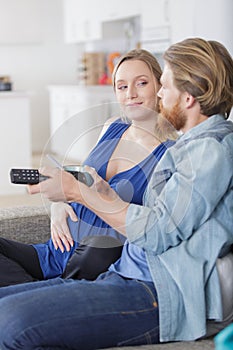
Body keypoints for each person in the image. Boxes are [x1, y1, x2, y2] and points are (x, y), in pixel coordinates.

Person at [0, 37, 232, 350]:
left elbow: (159, 231)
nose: (160, 95)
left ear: (188, 97)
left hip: (157, 291)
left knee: (12, 324)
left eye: (162, 85)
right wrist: (86, 193)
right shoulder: (194, 147)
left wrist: (79, 194)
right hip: (124, 274)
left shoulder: (209, 152)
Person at [0, 49, 177, 286]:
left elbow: (153, 224)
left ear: (160, 87)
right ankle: (37, 291)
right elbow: (82, 179)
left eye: (141, 83)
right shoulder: (112, 126)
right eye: (122, 87)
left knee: (99, 247)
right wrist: (59, 204)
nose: (131, 94)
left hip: (95, 260)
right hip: (53, 253)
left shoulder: (172, 151)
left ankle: (40, 294)